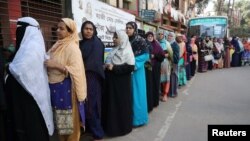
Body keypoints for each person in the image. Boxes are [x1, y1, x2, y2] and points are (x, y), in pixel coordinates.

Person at [4, 17, 54, 141]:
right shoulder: (32, 44)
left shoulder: (31, 46)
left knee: (31, 128)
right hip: (30, 94)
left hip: (29, 97)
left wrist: (8, 67)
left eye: (19, 30)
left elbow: (21, 70)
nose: (18, 33)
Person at [45, 18, 86, 141]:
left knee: (69, 126)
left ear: (70, 31)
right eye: (57, 28)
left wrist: (56, 65)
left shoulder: (72, 48)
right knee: (62, 124)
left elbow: (76, 70)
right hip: (56, 89)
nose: (58, 31)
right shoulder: (57, 45)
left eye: (61, 29)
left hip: (67, 91)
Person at [102, 30, 135, 137]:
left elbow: (130, 67)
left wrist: (114, 68)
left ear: (123, 39)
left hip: (121, 85)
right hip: (111, 83)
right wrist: (106, 66)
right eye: (113, 37)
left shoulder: (128, 52)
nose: (114, 39)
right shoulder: (114, 50)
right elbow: (109, 62)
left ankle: (120, 129)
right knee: (111, 104)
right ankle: (109, 127)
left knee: (119, 105)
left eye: (116, 37)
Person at [79, 21, 105, 141]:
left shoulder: (96, 43)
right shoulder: (81, 43)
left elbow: (94, 63)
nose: (88, 31)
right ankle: (89, 129)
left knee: (92, 105)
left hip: (92, 77)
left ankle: (98, 134)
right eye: (86, 29)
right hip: (82, 77)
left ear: (94, 31)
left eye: (90, 29)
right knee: (84, 104)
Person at [126, 21, 149, 126]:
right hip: (126, 70)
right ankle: (129, 119)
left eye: (130, 28)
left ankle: (139, 119)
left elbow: (145, 55)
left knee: (137, 94)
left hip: (137, 71)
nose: (128, 30)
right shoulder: (125, 40)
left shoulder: (140, 40)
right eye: (126, 28)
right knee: (129, 94)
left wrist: (132, 64)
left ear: (134, 29)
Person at [146, 31, 165, 107]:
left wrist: (155, 56)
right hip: (147, 68)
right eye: (148, 36)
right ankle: (148, 103)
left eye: (151, 36)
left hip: (155, 68)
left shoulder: (157, 45)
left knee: (155, 84)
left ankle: (155, 102)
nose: (150, 37)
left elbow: (162, 56)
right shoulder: (144, 44)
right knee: (148, 85)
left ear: (153, 37)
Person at [157, 30, 173, 102]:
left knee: (166, 79)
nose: (160, 35)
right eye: (159, 34)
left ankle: (165, 94)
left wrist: (165, 55)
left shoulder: (167, 43)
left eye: (161, 34)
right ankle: (160, 93)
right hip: (157, 63)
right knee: (159, 79)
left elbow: (171, 54)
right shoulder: (156, 43)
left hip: (165, 63)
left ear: (164, 35)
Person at [167, 32, 179, 97]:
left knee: (173, 77)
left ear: (173, 37)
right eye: (168, 35)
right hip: (168, 63)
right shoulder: (167, 43)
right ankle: (169, 92)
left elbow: (177, 56)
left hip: (174, 63)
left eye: (171, 36)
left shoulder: (175, 45)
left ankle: (173, 92)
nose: (169, 37)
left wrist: (169, 56)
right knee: (169, 78)